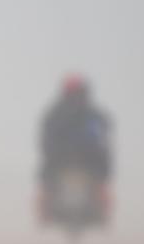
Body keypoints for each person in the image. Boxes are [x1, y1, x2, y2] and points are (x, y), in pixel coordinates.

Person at [38, 74, 113, 218]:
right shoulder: (58, 113)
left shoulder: (90, 114)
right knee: (46, 181)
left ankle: (102, 209)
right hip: (63, 158)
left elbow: (101, 132)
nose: (75, 97)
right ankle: (44, 211)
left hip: (85, 158)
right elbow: (47, 137)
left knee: (101, 180)